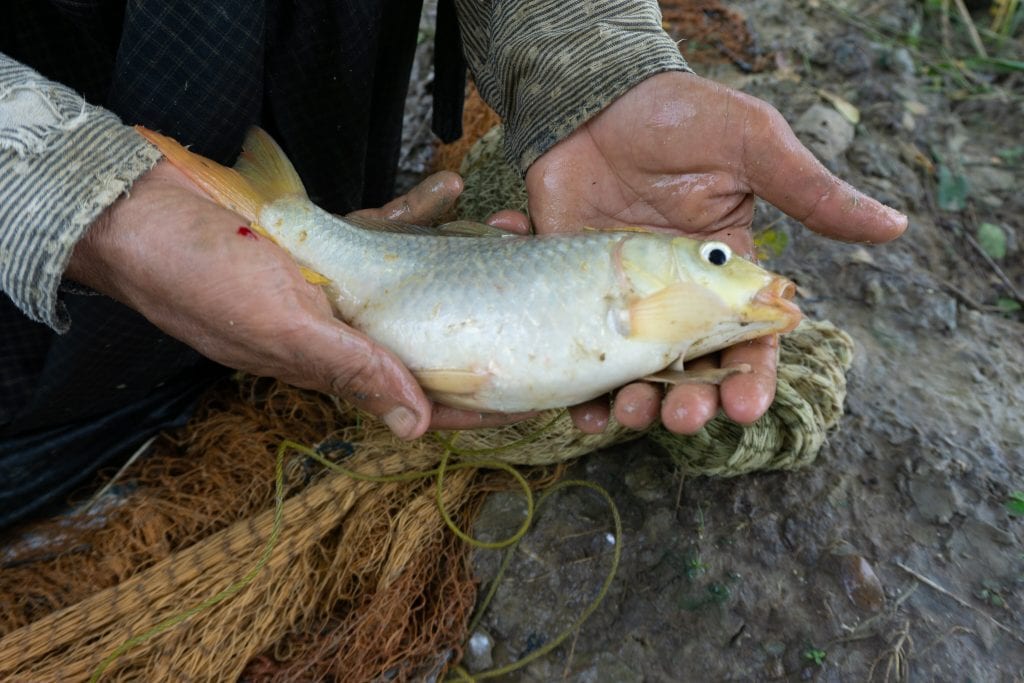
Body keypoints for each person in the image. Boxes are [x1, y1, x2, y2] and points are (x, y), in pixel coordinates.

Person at [0, 0, 906, 528]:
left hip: (318, 143)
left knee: (310, 216)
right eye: (713, 259)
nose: (736, 271)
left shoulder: (652, 325)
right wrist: (84, 200)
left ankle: (284, 221)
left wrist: (586, 54)